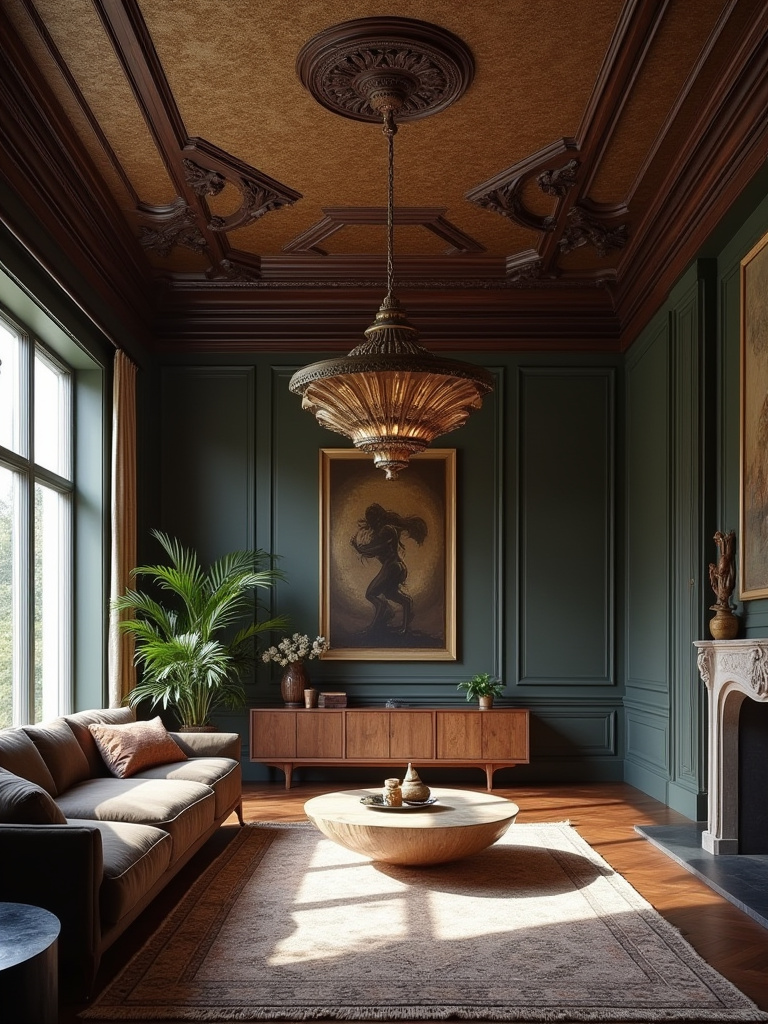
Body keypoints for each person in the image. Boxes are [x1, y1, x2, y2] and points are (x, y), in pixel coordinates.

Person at [350, 503, 427, 635]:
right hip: (394, 567)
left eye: (372, 520)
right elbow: (373, 550)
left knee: (371, 593)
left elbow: (376, 548)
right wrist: (361, 549)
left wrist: (360, 548)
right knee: (391, 594)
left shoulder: (387, 530)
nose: (370, 523)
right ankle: (398, 624)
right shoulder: (382, 530)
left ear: (377, 519)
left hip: (393, 567)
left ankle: (379, 622)